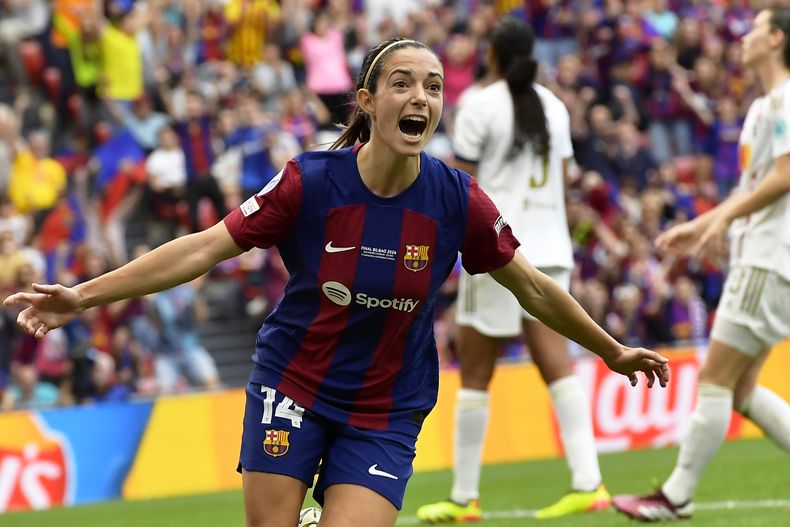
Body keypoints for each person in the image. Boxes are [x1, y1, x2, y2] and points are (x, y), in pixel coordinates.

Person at [5, 37, 669, 527]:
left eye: (434, 87)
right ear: (368, 102)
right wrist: (82, 295)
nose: (421, 97)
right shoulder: (310, 180)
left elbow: (532, 287)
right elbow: (203, 248)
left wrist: (610, 350)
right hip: (293, 383)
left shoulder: (457, 199)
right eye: (403, 84)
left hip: (386, 407)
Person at [416, 18, 610, 523]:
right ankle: (589, 482)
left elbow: (461, 183)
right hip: (552, 247)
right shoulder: (555, 106)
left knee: (476, 372)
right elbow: (564, 177)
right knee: (556, 362)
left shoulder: (480, 104)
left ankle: (465, 497)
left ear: (492, 56)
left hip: (498, 247)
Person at [613, 8, 790, 521]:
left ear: (776, 39)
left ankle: (676, 496)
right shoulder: (764, 106)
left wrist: (721, 219)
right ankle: (677, 495)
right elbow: (754, 186)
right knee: (741, 389)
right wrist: (708, 225)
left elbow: (785, 176)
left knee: (714, 378)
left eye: (757, 29)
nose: (746, 36)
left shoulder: (785, 98)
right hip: (759, 254)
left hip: (767, 260)